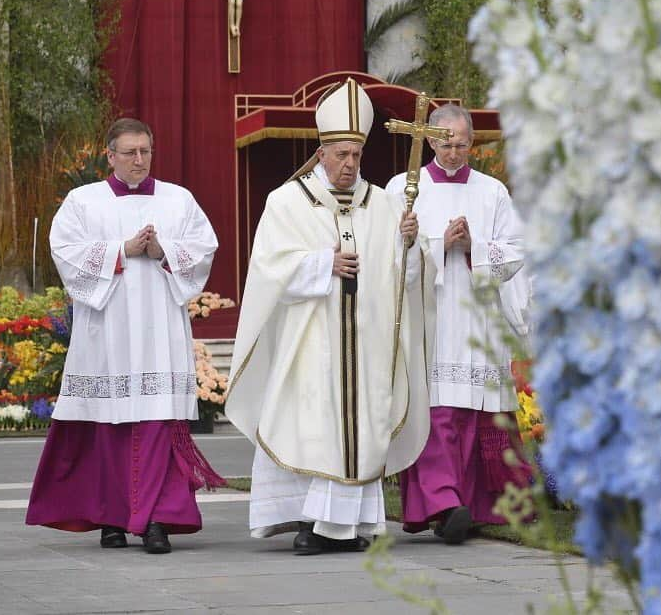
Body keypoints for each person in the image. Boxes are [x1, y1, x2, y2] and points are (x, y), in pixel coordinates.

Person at [225, 78, 434, 556]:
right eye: (341, 154)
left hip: (366, 347)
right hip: (311, 344)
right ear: (321, 153)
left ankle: (348, 523)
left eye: (356, 156)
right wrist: (324, 264)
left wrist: (408, 244)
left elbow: (404, 279)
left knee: (357, 428)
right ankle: (311, 520)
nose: (349, 165)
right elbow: (267, 270)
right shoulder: (287, 202)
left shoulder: (382, 204)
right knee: (312, 426)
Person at [26, 118, 223, 554]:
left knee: (156, 424)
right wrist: (123, 250)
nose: (139, 160)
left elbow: (205, 248)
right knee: (108, 428)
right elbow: (65, 252)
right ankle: (111, 519)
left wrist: (162, 250)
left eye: (145, 152)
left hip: (160, 334)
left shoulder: (178, 199)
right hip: (107, 335)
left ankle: (155, 521)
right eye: (130, 152)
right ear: (110, 155)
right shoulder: (83, 201)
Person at [386, 103, 531, 545]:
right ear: (430, 140)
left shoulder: (492, 192)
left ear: (472, 143)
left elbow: (517, 251)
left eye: (462, 144)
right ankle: (444, 504)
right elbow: (388, 256)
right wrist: (426, 243)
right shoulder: (404, 189)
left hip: (478, 315)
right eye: (446, 143)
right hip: (433, 318)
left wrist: (474, 247)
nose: (454, 152)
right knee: (440, 412)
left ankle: (483, 506)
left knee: (480, 414)